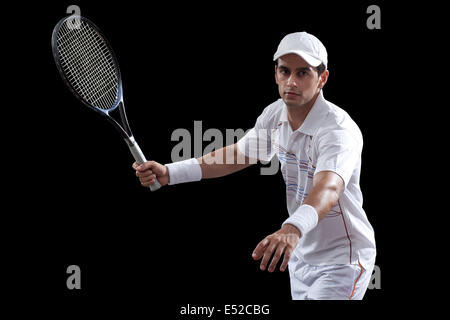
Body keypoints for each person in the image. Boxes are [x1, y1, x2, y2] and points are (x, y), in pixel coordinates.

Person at [132, 32, 376, 300]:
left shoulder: (337, 130)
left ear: (322, 79)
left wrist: (292, 228)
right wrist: (170, 172)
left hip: (342, 260)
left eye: (303, 73)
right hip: (300, 254)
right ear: (276, 74)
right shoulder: (274, 114)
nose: (291, 81)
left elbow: (328, 187)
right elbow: (238, 154)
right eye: (285, 71)